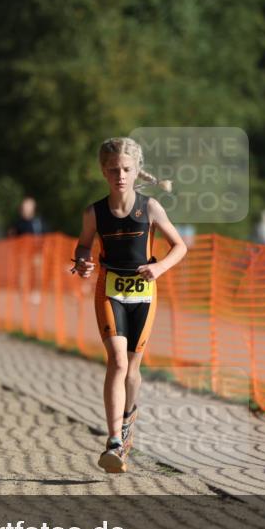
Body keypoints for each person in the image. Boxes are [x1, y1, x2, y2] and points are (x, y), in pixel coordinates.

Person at [72, 137, 186, 473]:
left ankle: (128, 419)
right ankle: (113, 441)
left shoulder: (149, 208)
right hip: (110, 290)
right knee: (117, 362)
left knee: (133, 371)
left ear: (137, 171)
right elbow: (82, 247)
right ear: (103, 172)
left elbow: (179, 247)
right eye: (113, 170)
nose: (120, 175)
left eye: (126, 169)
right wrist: (82, 263)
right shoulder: (94, 212)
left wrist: (159, 267)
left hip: (144, 295)